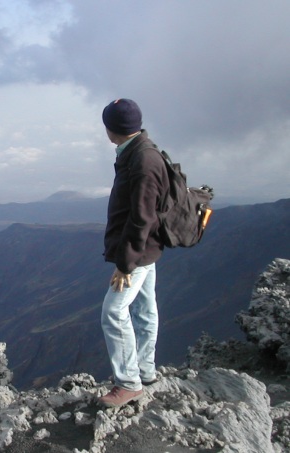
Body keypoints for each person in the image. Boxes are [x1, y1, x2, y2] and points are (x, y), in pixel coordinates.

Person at [98, 98, 169, 408]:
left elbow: (142, 218)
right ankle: (145, 370)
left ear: (112, 128)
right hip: (146, 248)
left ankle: (129, 383)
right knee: (143, 309)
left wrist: (125, 264)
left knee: (114, 313)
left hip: (137, 252)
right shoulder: (139, 151)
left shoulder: (142, 161)